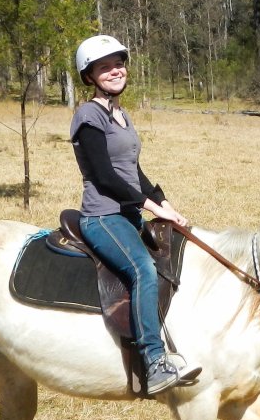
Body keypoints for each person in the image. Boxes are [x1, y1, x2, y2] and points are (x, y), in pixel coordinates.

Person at [70, 34, 196, 394]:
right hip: (103, 217)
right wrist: (151, 207)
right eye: (104, 67)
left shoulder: (121, 115)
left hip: (128, 214)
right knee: (143, 269)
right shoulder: (89, 115)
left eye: (118, 64)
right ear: (90, 76)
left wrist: (165, 203)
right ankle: (154, 362)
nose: (114, 71)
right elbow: (105, 177)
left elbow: (132, 172)